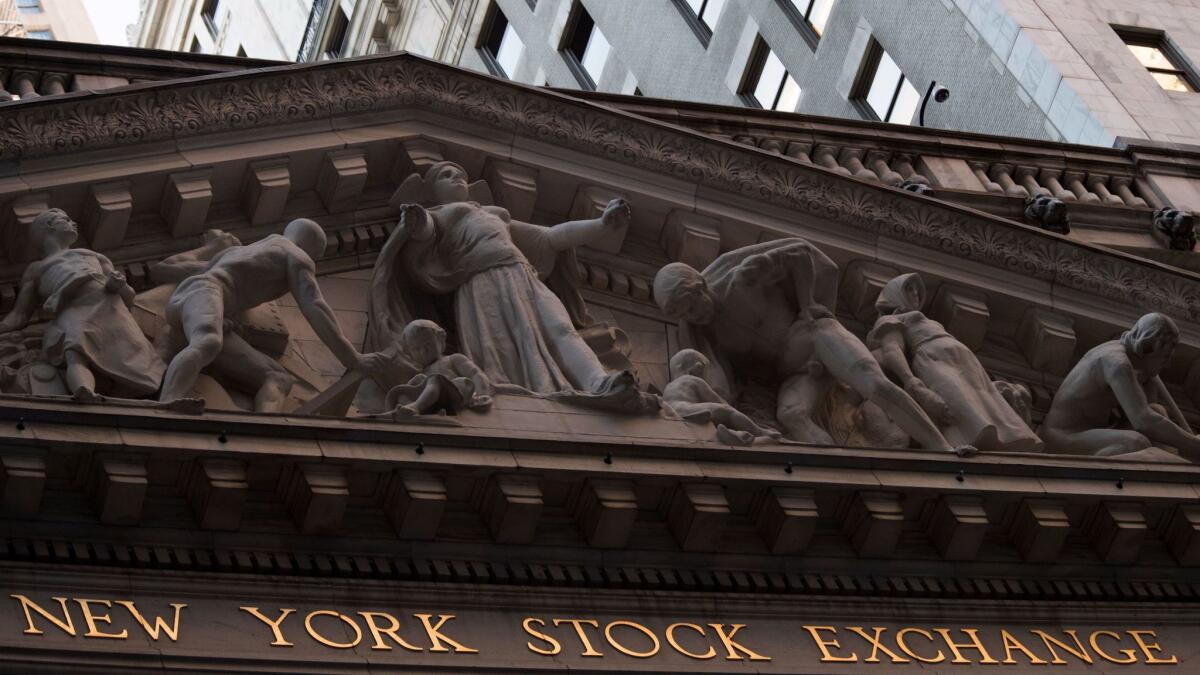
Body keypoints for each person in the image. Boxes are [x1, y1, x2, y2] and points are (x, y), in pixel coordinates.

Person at [370, 161, 650, 410]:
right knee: (503, 347)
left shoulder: (497, 214)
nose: (457, 177)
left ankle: (598, 382)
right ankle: (525, 394)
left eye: (461, 174)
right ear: (433, 190)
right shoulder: (443, 212)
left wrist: (601, 224)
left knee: (562, 329)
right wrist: (417, 222)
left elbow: (549, 237)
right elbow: (426, 231)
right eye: (446, 174)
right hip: (485, 282)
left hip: (523, 274)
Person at [654, 239, 969, 455]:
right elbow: (720, 382)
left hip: (814, 336)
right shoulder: (708, 334)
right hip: (792, 368)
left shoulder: (743, 279)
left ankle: (942, 447)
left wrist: (809, 305)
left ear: (701, 287)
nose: (696, 315)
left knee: (876, 385)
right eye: (685, 314)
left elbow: (801, 254)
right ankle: (843, 474)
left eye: (693, 306)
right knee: (791, 414)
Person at [159, 218, 379, 410]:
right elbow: (315, 306)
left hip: (188, 302)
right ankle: (168, 402)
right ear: (312, 250)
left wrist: (211, 248)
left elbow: (165, 268)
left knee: (278, 377)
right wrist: (352, 357)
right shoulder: (296, 255)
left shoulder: (237, 252)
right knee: (208, 341)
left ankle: (266, 428)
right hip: (205, 295)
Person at [0, 209, 163, 401]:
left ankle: (121, 399)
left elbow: (129, 296)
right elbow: (19, 315)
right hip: (74, 311)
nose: (74, 223)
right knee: (75, 352)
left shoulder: (93, 256)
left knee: (142, 366)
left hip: (109, 310)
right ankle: (84, 392)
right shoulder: (36, 269)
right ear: (48, 226)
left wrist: (119, 285)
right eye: (66, 219)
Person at [869, 273, 1042, 452]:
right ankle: (962, 442)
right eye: (908, 289)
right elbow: (892, 349)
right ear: (894, 294)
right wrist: (911, 381)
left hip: (963, 359)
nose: (915, 294)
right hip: (933, 358)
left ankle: (1005, 438)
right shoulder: (891, 319)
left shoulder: (929, 320)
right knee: (956, 395)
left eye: (917, 290)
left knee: (980, 396)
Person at [1040, 312, 1199, 461]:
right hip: (1063, 439)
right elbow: (1143, 420)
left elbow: (1152, 415)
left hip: (1094, 433)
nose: (1168, 365)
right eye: (1165, 357)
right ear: (1147, 347)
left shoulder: (1135, 365)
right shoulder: (1117, 363)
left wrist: (1147, 379)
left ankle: (1180, 468)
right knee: (1134, 443)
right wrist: (1192, 443)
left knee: (1158, 410)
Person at [663, 348, 780, 445]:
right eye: (704, 370)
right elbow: (717, 401)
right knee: (726, 411)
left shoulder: (669, 386)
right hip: (687, 410)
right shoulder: (693, 380)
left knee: (719, 415)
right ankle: (759, 432)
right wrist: (732, 411)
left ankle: (732, 435)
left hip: (674, 413)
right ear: (698, 367)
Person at [385, 320, 493, 417]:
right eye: (416, 349)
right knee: (406, 390)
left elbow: (476, 374)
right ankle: (401, 413)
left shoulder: (453, 359)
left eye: (428, 344)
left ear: (441, 340)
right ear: (409, 353)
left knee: (435, 379)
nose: (423, 351)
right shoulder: (422, 373)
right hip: (435, 403)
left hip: (457, 396)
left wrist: (482, 394)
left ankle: (416, 407)